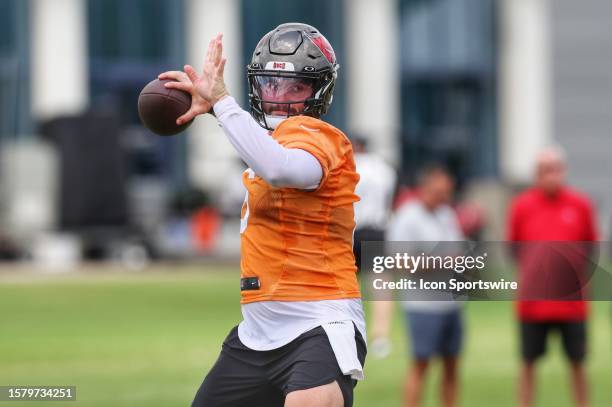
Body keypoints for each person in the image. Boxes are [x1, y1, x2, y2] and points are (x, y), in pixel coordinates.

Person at [159, 23, 366, 407]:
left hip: (316, 324)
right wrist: (218, 110)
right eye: (270, 83)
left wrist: (222, 103)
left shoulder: (321, 137)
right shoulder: (267, 142)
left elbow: (282, 168)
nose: (278, 96)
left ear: (319, 91)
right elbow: (264, 153)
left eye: (295, 86)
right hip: (257, 334)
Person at [507, 146, 598, 407]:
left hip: (572, 304)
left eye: (555, 170)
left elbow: (590, 247)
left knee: (578, 364)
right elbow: (514, 248)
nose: (551, 176)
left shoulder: (580, 204)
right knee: (527, 365)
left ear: (563, 171)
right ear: (536, 174)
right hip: (533, 304)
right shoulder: (521, 205)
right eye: (545, 171)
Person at [384, 165, 464, 407]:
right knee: (420, 365)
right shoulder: (407, 217)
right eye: (440, 192)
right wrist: (439, 261)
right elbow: (397, 260)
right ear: (425, 188)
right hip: (423, 305)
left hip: (451, 303)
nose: (444, 196)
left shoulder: (446, 214)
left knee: (452, 366)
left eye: (447, 192)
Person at [352, 136, 397, 270]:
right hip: (378, 230)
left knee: (346, 276)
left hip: (353, 230)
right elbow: (390, 199)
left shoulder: (350, 164)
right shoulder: (385, 168)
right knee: (378, 277)